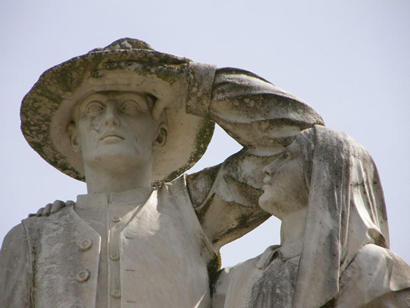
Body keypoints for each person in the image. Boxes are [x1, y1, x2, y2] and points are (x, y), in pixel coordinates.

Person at [0, 38, 324, 307]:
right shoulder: (32, 239)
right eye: (94, 110)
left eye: (129, 107)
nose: (111, 118)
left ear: (160, 135)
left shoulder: (192, 209)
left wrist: (191, 83)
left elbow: (302, 141)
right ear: (74, 136)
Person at [213, 125, 410, 307]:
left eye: (288, 156)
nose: (268, 168)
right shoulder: (236, 280)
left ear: (324, 171)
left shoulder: (379, 272)